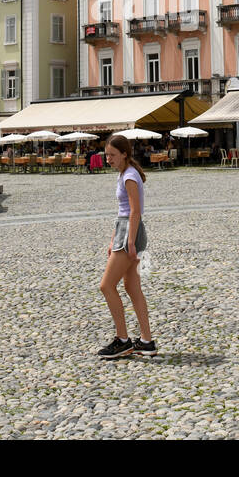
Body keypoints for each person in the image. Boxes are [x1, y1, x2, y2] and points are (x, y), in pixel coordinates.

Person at [96, 133, 155, 359]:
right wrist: (114, 239)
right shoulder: (126, 174)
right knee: (132, 288)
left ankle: (122, 340)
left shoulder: (129, 176)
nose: (108, 159)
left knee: (106, 286)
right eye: (106, 155)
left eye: (112, 155)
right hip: (126, 231)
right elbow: (122, 212)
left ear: (124, 154)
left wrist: (129, 242)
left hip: (130, 232)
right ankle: (146, 341)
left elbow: (134, 211)